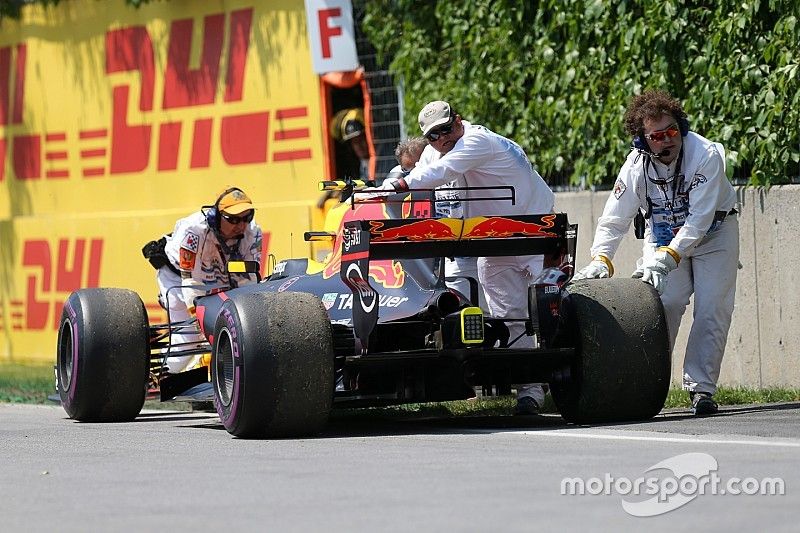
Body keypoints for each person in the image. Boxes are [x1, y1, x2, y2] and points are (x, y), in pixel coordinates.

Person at [573, 89, 738, 416]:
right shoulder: (635, 167)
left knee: (712, 309)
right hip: (662, 235)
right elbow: (614, 219)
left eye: (672, 131)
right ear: (642, 140)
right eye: (657, 135)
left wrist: (669, 257)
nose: (667, 140)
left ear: (682, 128)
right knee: (663, 304)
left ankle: (701, 389)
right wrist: (600, 258)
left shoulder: (706, 155)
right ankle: (646, 385)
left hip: (714, 235)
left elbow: (700, 220)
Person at [385, 100, 556, 415]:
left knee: (553, 311)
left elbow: (439, 172)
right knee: (510, 316)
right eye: (434, 135)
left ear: (458, 122)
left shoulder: (477, 140)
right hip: (495, 241)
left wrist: (399, 185)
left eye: (446, 129)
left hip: (537, 230)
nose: (442, 139)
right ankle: (530, 392)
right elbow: (422, 179)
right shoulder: (432, 153)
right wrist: (386, 192)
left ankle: (566, 381)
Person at [153, 187, 263, 373]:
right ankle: (160, 374)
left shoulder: (253, 232)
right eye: (233, 219)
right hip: (178, 278)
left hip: (217, 276)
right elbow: (189, 278)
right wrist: (196, 312)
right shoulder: (194, 231)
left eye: (247, 217)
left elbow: (249, 277)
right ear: (217, 216)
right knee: (191, 337)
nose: (241, 224)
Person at [318, 108, 371, 208]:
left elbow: (377, 188)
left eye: (361, 139)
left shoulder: (381, 160)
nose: (359, 145)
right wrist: (340, 187)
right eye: (355, 142)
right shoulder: (363, 164)